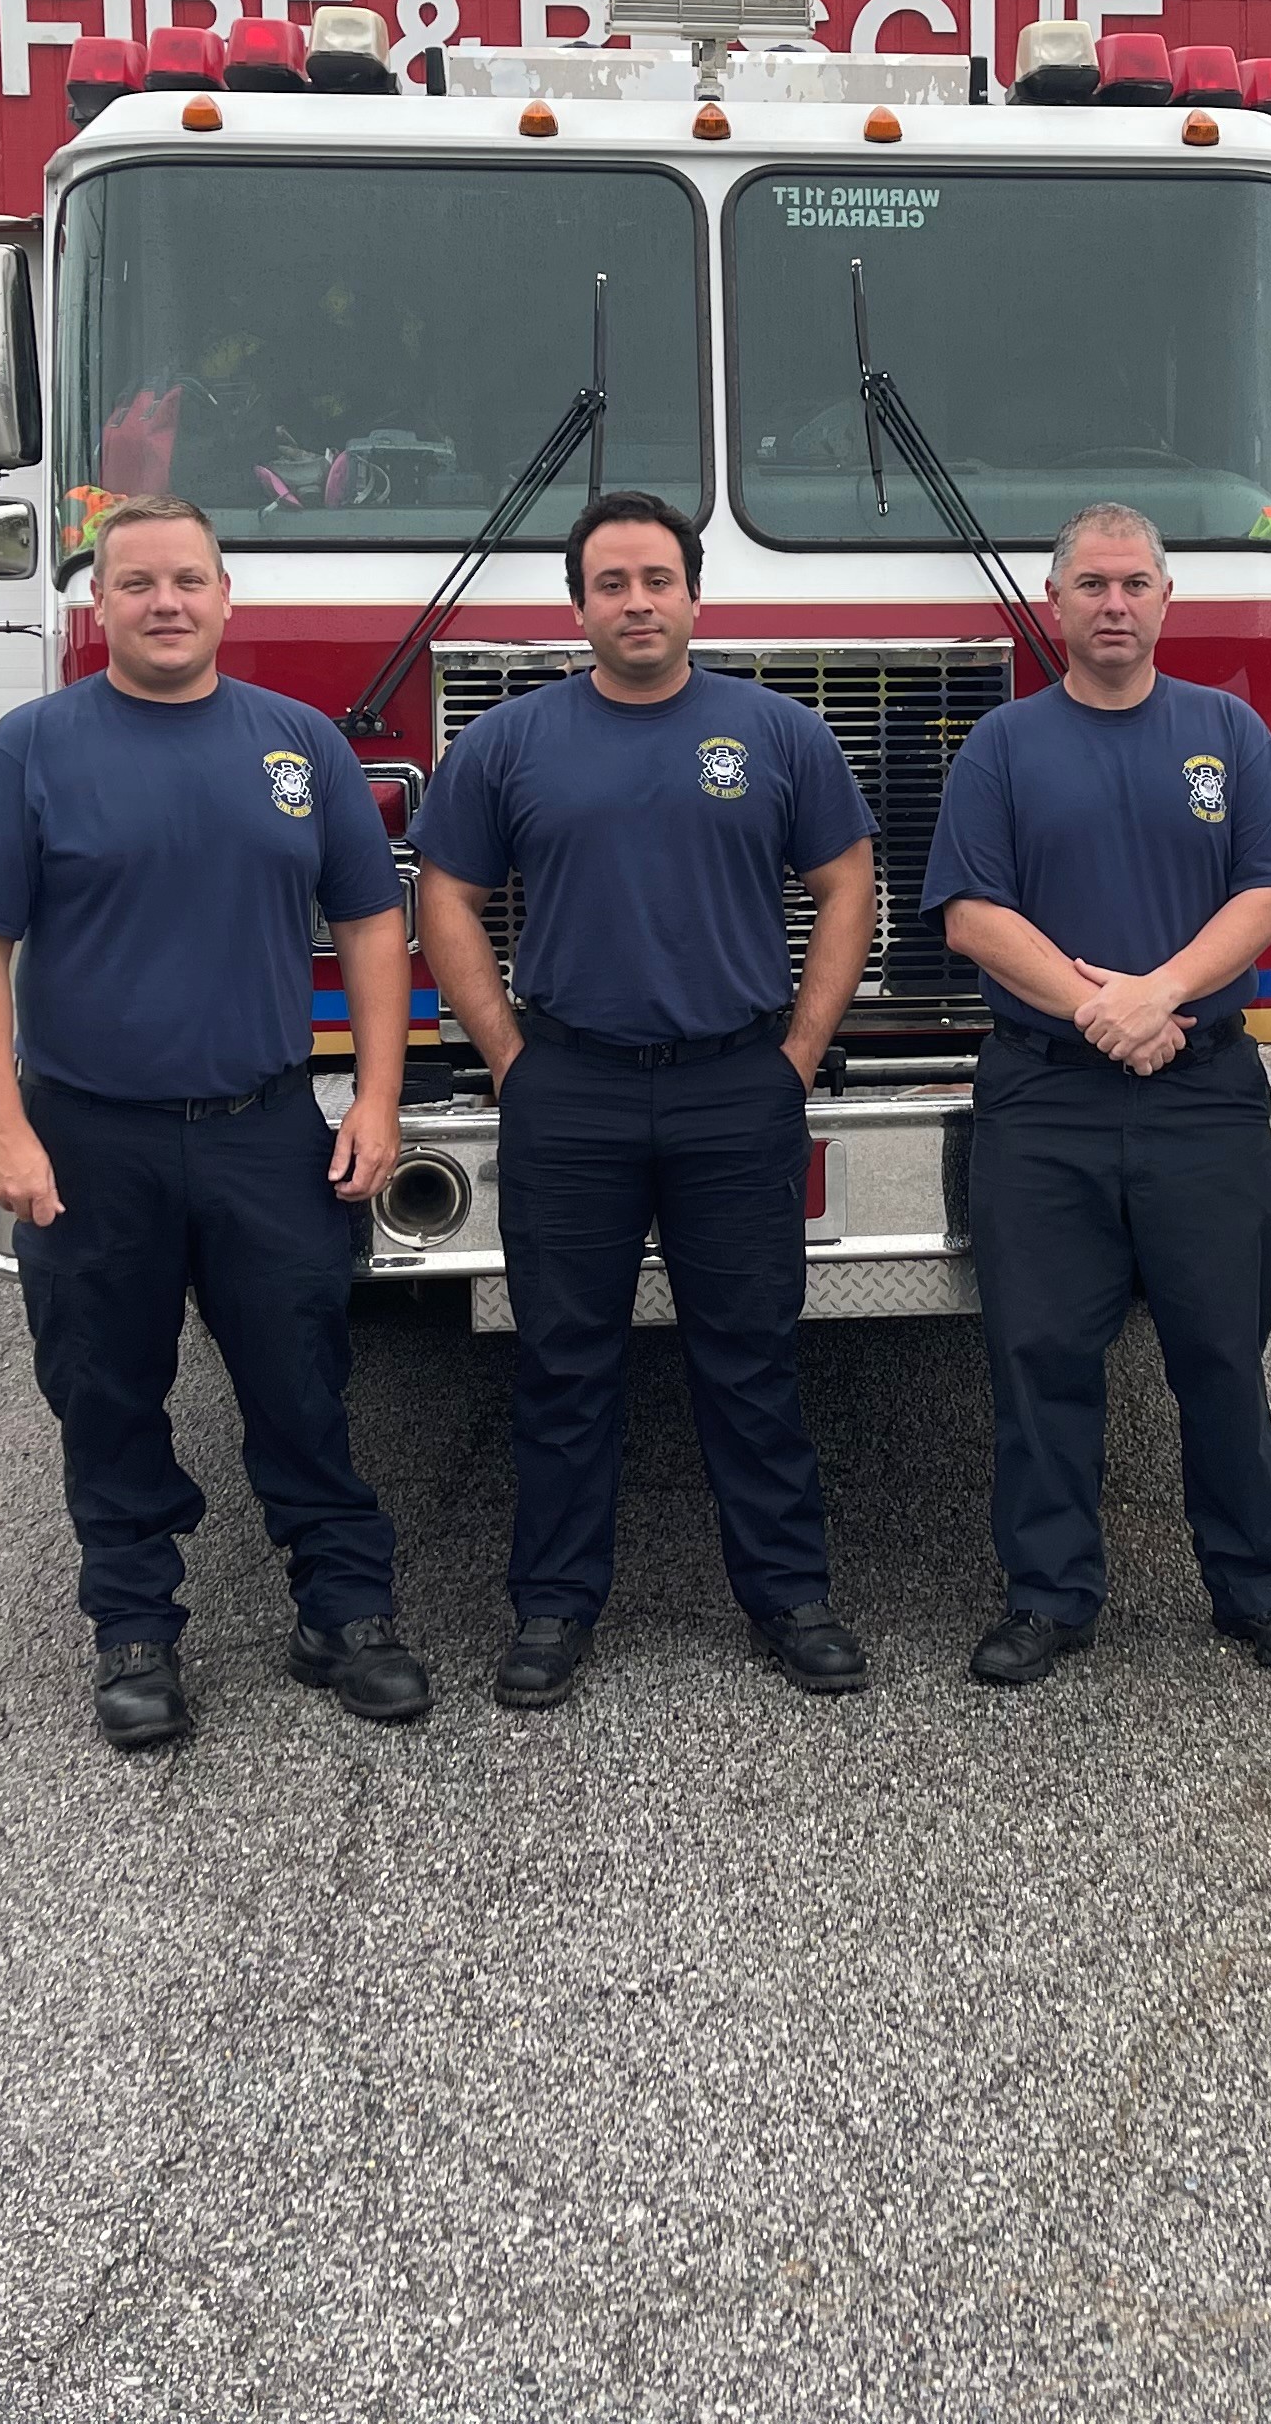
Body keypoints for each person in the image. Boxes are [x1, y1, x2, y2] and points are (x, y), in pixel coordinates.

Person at [0, 492, 425, 1751]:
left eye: (188, 581)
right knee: (106, 1387)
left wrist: (375, 1092)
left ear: (225, 598)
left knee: (301, 1377)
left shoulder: (300, 743)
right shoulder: (29, 751)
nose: (165, 604)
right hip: (91, 1139)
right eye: (138, 584)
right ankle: (135, 1629)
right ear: (101, 606)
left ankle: (345, 1610)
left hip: (266, 1127)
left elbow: (370, 923)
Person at [411, 489, 879, 1710]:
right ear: (579, 605)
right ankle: (554, 1608)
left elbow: (846, 884)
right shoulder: (509, 744)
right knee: (565, 1364)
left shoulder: (778, 734)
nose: (636, 602)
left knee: (752, 1360)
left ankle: (790, 1597)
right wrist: (510, 1055)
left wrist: (797, 1051)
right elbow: (445, 895)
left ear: (693, 596)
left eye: (656, 580)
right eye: (611, 583)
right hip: (569, 1089)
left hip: (739, 1087)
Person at [921, 502, 1271, 1688]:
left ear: (1166, 601)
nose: (1114, 604)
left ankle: (1259, 1592)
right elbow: (972, 914)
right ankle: (1050, 1598)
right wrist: (1100, 1009)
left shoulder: (1231, 733)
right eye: (1092, 585)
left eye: (1134, 584)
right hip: (1044, 1100)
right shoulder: (1002, 744)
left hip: (1202, 1094)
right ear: (1056, 605)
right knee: (1041, 1352)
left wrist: (1159, 994)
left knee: (1221, 1351)